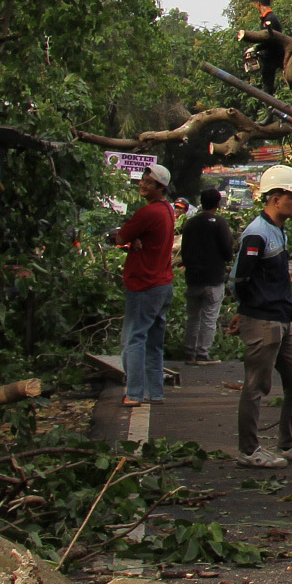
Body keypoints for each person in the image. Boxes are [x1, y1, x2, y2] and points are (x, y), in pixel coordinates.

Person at [232, 166, 292, 470]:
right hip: (264, 320)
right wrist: (247, 310)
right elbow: (239, 279)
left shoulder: (278, 230)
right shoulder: (256, 234)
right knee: (256, 385)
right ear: (275, 198)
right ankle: (249, 450)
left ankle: (287, 444)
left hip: (283, 318)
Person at [110, 165, 178, 407]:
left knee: (133, 339)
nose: (142, 184)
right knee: (153, 343)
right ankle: (155, 392)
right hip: (162, 283)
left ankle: (135, 393)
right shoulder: (167, 210)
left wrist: (129, 239)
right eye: (143, 180)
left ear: (160, 188)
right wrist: (136, 239)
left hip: (144, 284)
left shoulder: (148, 213)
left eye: (149, 182)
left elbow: (119, 237)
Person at [179, 188, 234, 364]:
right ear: (218, 204)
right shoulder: (220, 223)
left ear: (201, 202)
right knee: (209, 318)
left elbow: (184, 251)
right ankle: (202, 353)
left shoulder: (190, 223)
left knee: (193, 317)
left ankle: (189, 353)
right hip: (213, 278)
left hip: (194, 278)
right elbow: (228, 252)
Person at [242, 0, 287, 94]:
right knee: (267, 81)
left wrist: (256, 48)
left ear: (259, 4)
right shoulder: (266, 18)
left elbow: (271, 40)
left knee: (269, 84)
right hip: (269, 55)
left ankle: (271, 102)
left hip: (275, 54)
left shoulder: (270, 19)